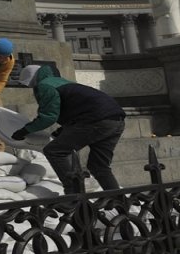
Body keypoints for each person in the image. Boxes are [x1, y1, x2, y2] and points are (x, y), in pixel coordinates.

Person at [11, 64, 126, 194]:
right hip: (115, 120)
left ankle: (73, 194)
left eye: (30, 85)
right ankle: (119, 201)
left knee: (55, 151)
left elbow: (48, 117)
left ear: (32, 80)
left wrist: (24, 131)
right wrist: (63, 130)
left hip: (96, 120)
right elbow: (75, 108)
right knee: (99, 166)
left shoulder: (44, 85)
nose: (31, 89)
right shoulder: (62, 82)